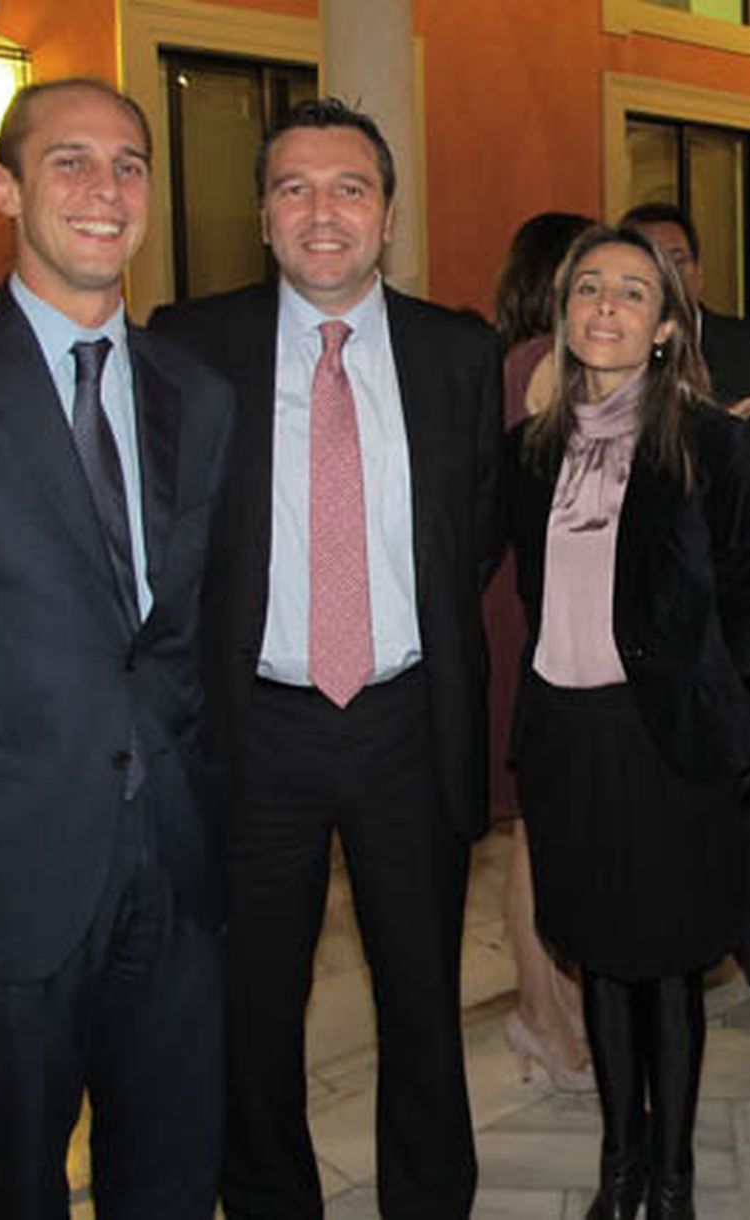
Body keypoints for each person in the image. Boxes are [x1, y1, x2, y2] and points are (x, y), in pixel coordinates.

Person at [0, 78, 234, 1215]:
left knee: (170, 1172)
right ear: (5, 187)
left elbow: (180, 635)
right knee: (10, 1180)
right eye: (69, 161)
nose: (105, 189)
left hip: (168, 870)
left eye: (128, 164)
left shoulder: (197, 393)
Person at [150, 98, 501, 1218]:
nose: (322, 211)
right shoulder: (188, 347)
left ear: (387, 214)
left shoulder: (459, 353)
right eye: (294, 187)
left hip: (407, 716)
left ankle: (428, 1199)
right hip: (256, 726)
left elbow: (474, 530)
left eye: (349, 187)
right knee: (252, 1005)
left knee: (420, 997)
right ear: (261, 214)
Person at [505, 225, 750, 1219]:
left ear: (665, 326)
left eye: (630, 292)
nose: (605, 307)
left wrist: (714, 709)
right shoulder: (528, 451)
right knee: (603, 954)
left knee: (666, 962)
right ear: (565, 313)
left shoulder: (709, 441)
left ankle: (674, 1175)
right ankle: (620, 1164)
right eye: (587, 289)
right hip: (567, 738)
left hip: (666, 739)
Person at [621, 201, 750, 1027]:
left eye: (674, 255)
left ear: (697, 268)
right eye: (645, 259)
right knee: (663, 774)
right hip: (657, 606)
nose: (664, 271)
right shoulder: (619, 355)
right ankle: (679, 945)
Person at [491, 210, 596, 1090]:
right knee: (539, 829)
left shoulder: (516, 358)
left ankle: (554, 1004)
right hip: (531, 618)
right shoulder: (543, 368)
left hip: (526, 610)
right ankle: (538, 1012)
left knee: (548, 827)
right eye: (585, 276)